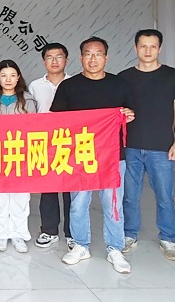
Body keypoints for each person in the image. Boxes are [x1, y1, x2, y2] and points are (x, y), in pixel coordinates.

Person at [51, 36, 135, 274]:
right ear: (80, 58)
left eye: (98, 54)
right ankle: (80, 245)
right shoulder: (68, 87)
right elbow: (57, 120)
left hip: (112, 155)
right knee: (78, 202)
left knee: (113, 203)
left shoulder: (119, 85)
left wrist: (128, 115)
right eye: (88, 54)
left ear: (106, 58)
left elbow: (131, 112)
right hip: (80, 154)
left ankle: (115, 248)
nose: (93, 59)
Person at [118, 29, 175, 261]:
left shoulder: (173, 76)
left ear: (159, 48)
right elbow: (116, 111)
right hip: (130, 147)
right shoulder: (123, 78)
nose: (148, 51)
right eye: (143, 46)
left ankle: (168, 238)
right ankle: (129, 234)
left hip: (162, 147)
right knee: (130, 196)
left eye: (152, 46)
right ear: (135, 48)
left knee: (165, 196)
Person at [28, 43, 75, 250]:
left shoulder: (76, 83)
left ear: (67, 59)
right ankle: (49, 230)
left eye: (59, 57)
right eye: (50, 57)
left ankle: (72, 233)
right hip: (44, 143)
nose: (54, 61)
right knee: (47, 189)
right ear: (43, 61)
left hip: (70, 143)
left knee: (71, 191)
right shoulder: (35, 86)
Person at [0, 60, 37, 253]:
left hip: (21, 155)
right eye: (4, 75)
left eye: (12, 75)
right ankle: (0, 234)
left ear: (18, 78)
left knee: (20, 198)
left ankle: (18, 234)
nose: (8, 79)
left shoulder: (28, 100)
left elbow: (34, 128)